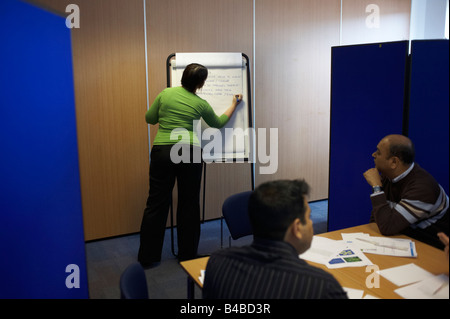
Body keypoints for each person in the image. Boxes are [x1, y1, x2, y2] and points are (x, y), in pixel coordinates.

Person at [138, 63, 243, 266]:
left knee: (156, 204)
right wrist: (234, 104)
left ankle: (148, 258)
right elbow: (218, 123)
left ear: (183, 77)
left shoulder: (165, 94)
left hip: (163, 152)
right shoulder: (200, 103)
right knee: (189, 204)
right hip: (189, 153)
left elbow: (149, 118)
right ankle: (187, 255)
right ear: (201, 83)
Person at [202, 179, 347, 299]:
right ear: (296, 228)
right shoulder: (322, 287)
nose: (312, 223)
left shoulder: (217, 263)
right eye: (308, 217)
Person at [363, 134, 449, 249]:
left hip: (432, 248)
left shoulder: (423, 188)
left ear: (394, 162)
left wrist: (377, 188)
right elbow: (377, 221)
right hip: (405, 241)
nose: (373, 155)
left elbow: (387, 227)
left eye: (378, 152)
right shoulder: (388, 177)